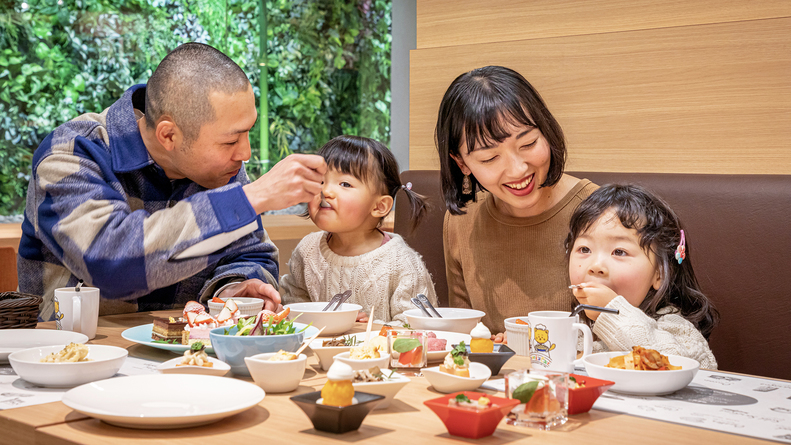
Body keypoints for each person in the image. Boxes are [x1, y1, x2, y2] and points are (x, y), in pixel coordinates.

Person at [18, 42, 327, 321]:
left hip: (186, 359)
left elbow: (250, 253)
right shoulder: (72, 152)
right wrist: (250, 199)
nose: (244, 153)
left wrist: (234, 288)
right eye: (231, 141)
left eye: (248, 132)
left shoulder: (220, 168)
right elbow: (110, 263)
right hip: (72, 359)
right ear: (168, 135)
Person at [436, 65, 598, 337]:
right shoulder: (461, 222)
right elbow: (463, 336)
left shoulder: (601, 213)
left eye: (528, 144)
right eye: (489, 158)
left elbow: (632, 333)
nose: (517, 170)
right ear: (462, 163)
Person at [279, 135, 437, 324]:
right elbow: (292, 306)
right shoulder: (307, 251)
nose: (326, 191)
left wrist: (366, 329)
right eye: (321, 181)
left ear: (379, 206)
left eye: (345, 184)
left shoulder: (401, 263)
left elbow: (418, 326)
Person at [566, 184, 719, 369]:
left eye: (619, 252)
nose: (596, 266)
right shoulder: (574, 325)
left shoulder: (674, 327)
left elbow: (679, 367)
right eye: (584, 249)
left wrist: (613, 313)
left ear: (660, 273)